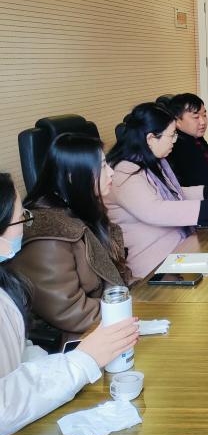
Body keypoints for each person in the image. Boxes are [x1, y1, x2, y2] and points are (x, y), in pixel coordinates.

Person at [0, 172, 139, 435]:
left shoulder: (5, 284)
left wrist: (65, 368)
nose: (27, 225)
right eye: (21, 218)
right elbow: (4, 408)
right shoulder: (53, 234)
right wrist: (81, 362)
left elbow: (19, 354)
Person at [6, 134, 130, 340]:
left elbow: (117, 277)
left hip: (111, 323)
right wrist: (130, 310)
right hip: (83, 340)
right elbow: (73, 312)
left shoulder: (83, 209)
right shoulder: (47, 235)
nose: (111, 172)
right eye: (102, 166)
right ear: (72, 176)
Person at [105, 103, 208, 280]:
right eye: (171, 135)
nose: (174, 141)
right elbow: (156, 210)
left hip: (179, 248)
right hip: (154, 264)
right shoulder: (123, 173)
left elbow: (173, 193)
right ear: (151, 138)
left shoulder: (152, 161)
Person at [167, 93, 208, 187]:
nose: (203, 122)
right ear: (177, 121)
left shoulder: (196, 138)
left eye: (204, 115)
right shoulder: (178, 147)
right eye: (196, 117)